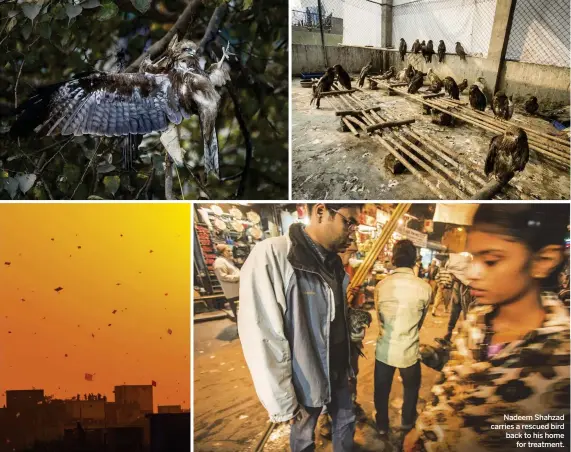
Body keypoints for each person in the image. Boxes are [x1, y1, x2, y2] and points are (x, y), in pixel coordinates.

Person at [404, 204, 570, 452]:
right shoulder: (477, 319)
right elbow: (449, 383)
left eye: (491, 261)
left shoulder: (562, 359)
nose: (472, 273)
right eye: (473, 258)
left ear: (543, 261)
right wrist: (423, 427)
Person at [238, 204, 363, 452]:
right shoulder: (273, 255)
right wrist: (282, 401)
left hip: (338, 369)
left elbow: (330, 318)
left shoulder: (335, 265)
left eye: (355, 225)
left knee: (346, 422)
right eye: (348, 222)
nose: (352, 232)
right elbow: (262, 336)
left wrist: (351, 333)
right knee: (305, 436)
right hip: (305, 376)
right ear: (320, 211)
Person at [373, 240, 432, 442]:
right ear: (415, 259)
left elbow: (380, 320)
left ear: (393, 259)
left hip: (385, 349)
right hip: (409, 350)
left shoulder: (381, 286)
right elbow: (420, 322)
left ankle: (382, 425)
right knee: (411, 387)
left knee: (381, 390)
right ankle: (407, 423)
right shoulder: (425, 288)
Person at [213, 244, 240, 322]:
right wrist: (238, 277)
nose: (231, 252)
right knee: (238, 313)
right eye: (228, 251)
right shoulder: (219, 262)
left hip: (237, 291)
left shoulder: (228, 260)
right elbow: (223, 277)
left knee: (242, 312)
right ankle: (241, 330)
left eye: (231, 251)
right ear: (222, 252)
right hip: (233, 293)